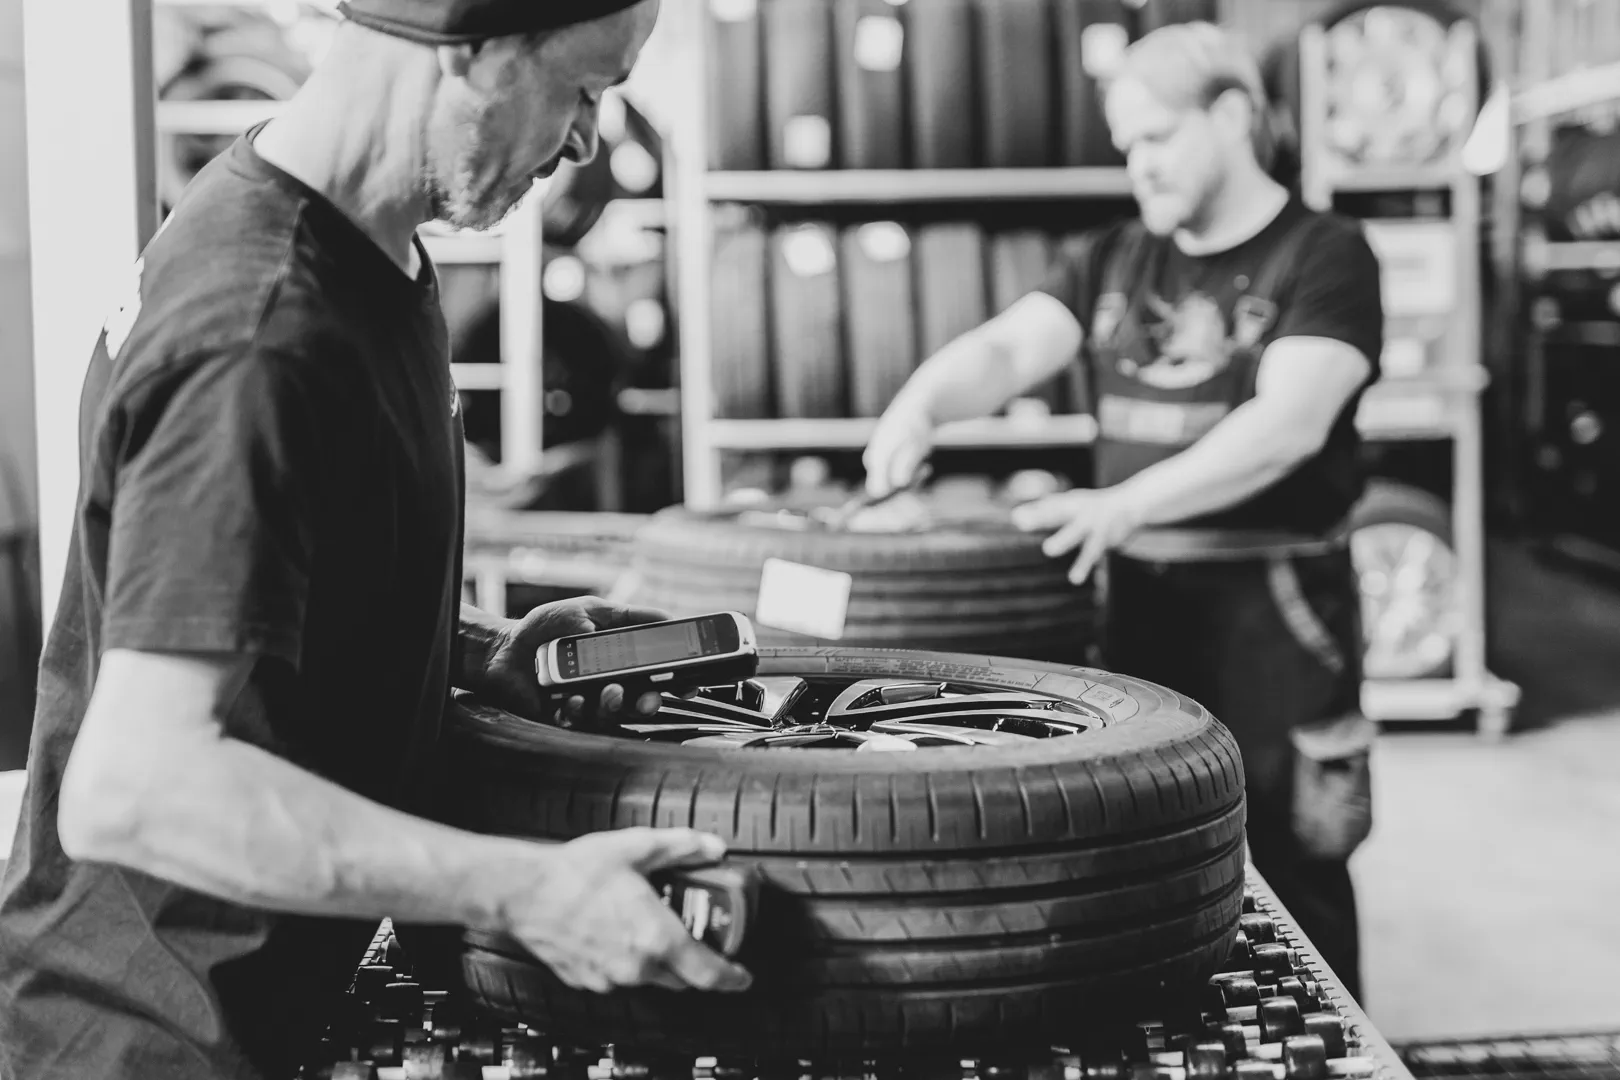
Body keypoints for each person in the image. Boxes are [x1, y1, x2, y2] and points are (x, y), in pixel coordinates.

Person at [0, 3, 753, 1078]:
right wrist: (527, 889)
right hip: (146, 1043)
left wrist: (478, 653)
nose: (589, 139)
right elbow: (138, 787)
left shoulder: (366, 253)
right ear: (469, 43)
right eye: (585, 89)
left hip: (252, 1018)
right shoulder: (254, 333)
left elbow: (273, 582)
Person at [863, 21, 1383, 999]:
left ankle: (1322, 1046)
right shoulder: (1114, 258)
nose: (1137, 163)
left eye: (1156, 136)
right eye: (1125, 143)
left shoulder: (1326, 254)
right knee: (1148, 854)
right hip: (1137, 607)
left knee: (1291, 864)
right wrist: (920, 403)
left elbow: (1290, 423)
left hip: (1276, 616)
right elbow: (1008, 350)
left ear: (1232, 114)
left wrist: (1128, 503)